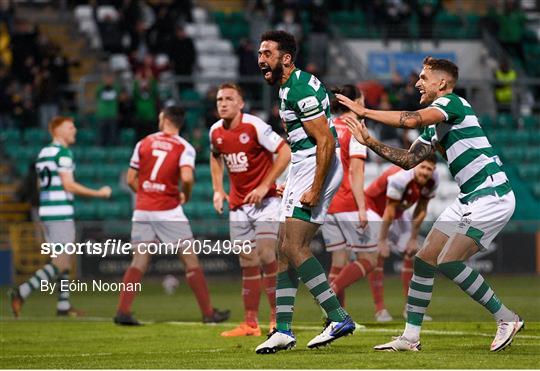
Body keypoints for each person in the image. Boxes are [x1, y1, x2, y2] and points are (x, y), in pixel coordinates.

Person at [338, 56, 523, 352]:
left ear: (442, 83)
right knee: (424, 259)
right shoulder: (433, 127)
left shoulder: (453, 104)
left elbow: (411, 118)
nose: (417, 83)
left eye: (423, 78)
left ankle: (507, 319)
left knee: (449, 261)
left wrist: (365, 111)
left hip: (492, 194)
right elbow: (409, 160)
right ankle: (410, 337)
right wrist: (370, 141)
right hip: (468, 198)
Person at [255, 30, 355, 354]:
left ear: (286, 58)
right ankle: (283, 329)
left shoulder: (298, 88)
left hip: (316, 165)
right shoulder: (288, 87)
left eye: (267, 54)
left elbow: (325, 141)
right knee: (283, 248)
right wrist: (295, 178)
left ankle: (338, 316)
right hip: (303, 165)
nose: (260, 60)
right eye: (259, 54)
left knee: (296, 247)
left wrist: (313, 187)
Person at [114, 106, 230, 326]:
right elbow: (186, 177)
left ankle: (123, 311)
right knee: (190, 259)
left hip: (143, 209)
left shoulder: (144, 142)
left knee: (139, 260)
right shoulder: (184, 147)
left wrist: (148, 193)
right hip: (168, 210)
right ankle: (208, 313)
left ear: (163, 119)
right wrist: (184, 195)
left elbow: (131, 179)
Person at [209, 83, 291, 337]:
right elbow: (215, 156)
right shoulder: (215, 131)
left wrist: (266, 185)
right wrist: (217, 189)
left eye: (229, 98)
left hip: (266, 203)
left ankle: (278, 320)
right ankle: (250, 323)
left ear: (240, 103)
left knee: (267, 254)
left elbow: (285, 151)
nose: (223, 103)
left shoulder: (255, 126)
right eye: (220, 99)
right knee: (247, 262)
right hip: (238, 206)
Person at [10, 116, 112, 317]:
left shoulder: (43, 153)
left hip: (47, 212)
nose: (74, 130)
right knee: (62, 262)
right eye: (70, 127)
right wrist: (99, 193)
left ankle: (63, 305)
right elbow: (69, 185)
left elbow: (40, 186)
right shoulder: (63, 154)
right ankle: (22, 291)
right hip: (61, 213)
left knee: (62, 259)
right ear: (57, 131)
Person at [361, 156, 438, 322]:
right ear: (415, 166)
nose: (425, 172)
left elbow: (422, 208)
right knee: (377, 253)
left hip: (398, 213)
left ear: (434, 170)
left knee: (413, 252)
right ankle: (380, 309)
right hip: (373, 208)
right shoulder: (400, 177)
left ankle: (410, 309)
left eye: (429, 169)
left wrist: (413, 238)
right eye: (422, 167)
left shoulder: (433, 181)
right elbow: (388, 210)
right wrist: (382, 241)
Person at [320, 84, 374, 309]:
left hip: (326, 204)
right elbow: (356, 171)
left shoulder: (326, 126)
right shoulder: (355, 127)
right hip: (347, 202)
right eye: (362, 97)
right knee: (369, 259)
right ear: (356, 101)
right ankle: (330, 290)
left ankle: (335, 317)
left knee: (339, 260)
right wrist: (362, 207)